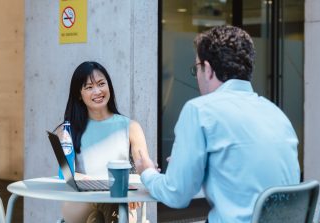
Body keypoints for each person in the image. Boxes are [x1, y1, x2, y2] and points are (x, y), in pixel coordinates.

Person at [135, 25, 300, 223]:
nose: (197, 75)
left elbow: (176, 195)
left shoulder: (199, 110)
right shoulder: (277, 114)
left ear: (208, 69)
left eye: (196, 68)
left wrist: (147, 172)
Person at [60, 61, 149, 223]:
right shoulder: (67, 131)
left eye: (101, 84)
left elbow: (144, 169)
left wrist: (136, 190)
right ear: (79, 94)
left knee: (113, 206)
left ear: (109, 86)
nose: (97, 91)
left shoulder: (131, 127)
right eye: (88, 87)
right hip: (83, 203)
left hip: (120, 201)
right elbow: (67, 176)